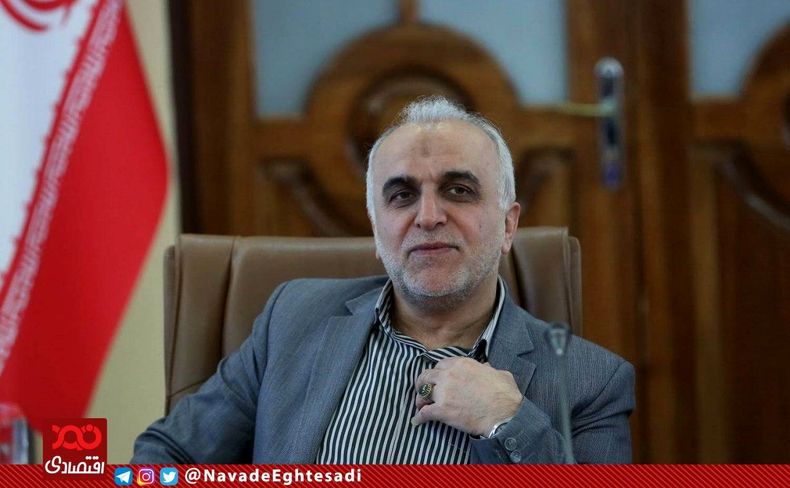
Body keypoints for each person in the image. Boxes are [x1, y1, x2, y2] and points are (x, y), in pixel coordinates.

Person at [132, 96, 634, 464]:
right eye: (401, 196)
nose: (428, 216)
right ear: (377, 231)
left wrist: (508, 420)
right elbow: (170, 453)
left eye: (458, 190)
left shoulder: (591, 382)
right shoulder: (293, 318)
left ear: (508, 225)